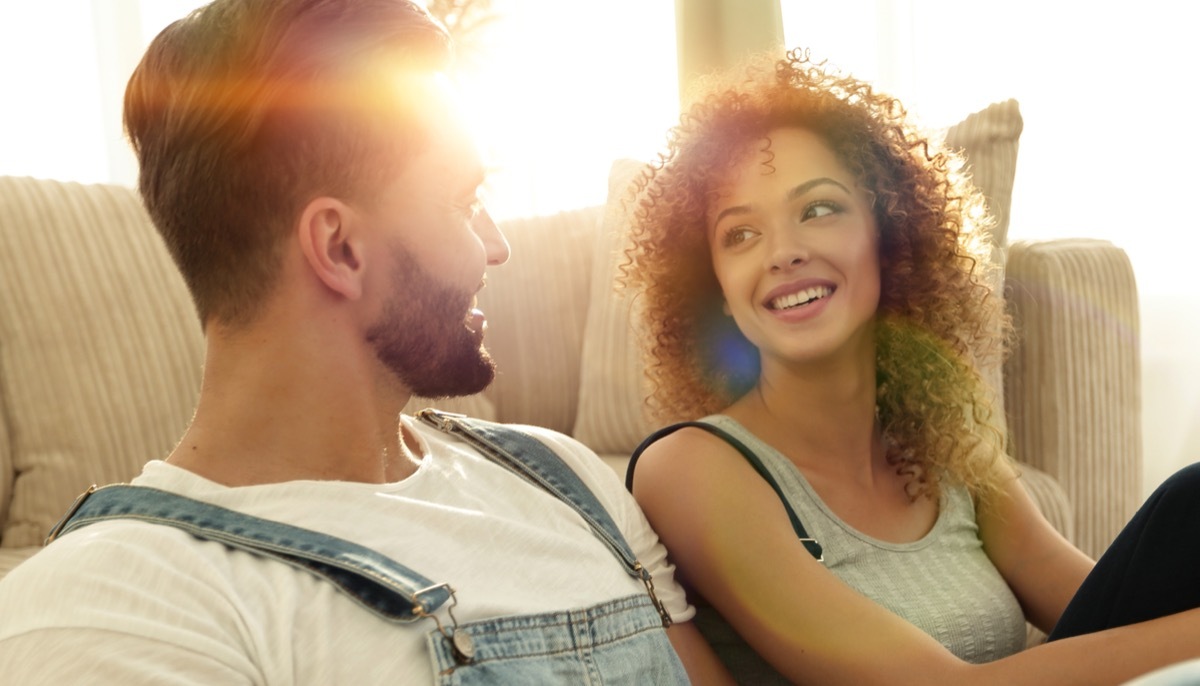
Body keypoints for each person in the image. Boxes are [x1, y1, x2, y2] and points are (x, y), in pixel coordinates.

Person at [0, 1, 732, 683]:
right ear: (340, 247)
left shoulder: (565, 478)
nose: (496, 247)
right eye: (462, 202)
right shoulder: (112, 610)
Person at [622, 48, 1200, 685]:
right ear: (719, 293)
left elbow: (1119, 616)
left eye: (818, 209)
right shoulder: (689, 470)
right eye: (741, 234)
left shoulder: (945, 449)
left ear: (888, 238)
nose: (783, 252)